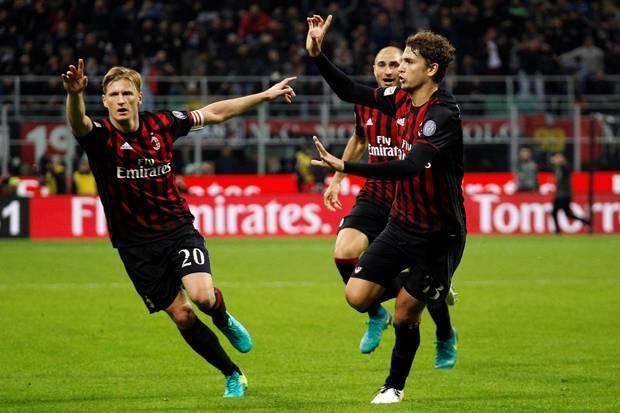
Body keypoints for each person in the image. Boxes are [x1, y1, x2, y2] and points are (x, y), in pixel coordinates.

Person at [62, 58, 295, 398]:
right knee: (183, 315)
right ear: (105, 101)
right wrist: (74, 95)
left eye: (127, 93)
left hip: (177, 229)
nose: (121, 100)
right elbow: (78, 123)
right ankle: (233, 374)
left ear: (139, 97)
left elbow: (214, 113)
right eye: (114, 94)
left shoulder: (163, 124)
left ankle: (223, 318)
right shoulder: (100, 137)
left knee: (201, 297)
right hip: (135, 245)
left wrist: (264, 95)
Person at [307, 15, 466, 404]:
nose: (399, 69)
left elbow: (410, 166)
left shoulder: (442, 115)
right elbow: (350, 90)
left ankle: (393, 386)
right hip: (400, 223)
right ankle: (432, 287)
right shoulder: (399, 99)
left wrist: (347, 167)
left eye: (408, 62)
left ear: (431, 70)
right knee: (357, 296)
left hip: (438, 234)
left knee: (405, 313)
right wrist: (317, 55)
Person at [323, 45, 458, 362]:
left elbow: (418, 161)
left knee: (421, 282)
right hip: (375, 194)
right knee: (343, 252)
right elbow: (360, 138)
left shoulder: (415, 105)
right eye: (381, 64)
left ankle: (444, 334)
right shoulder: (366, 104)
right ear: (373, 69)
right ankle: (375, 313)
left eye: (394, 64)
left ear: (405, 68)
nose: (387, 70)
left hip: (410, 199)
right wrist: (338, 178)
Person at [550, 152, 590, 234]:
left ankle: (557, 231)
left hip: (564, 195)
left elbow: (565, 169)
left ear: (563, 159)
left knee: (555, 212)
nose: (556, 159)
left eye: (558, 157)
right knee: (567, 214)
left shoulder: (565, 167)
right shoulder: (558, 168)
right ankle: (586, 221)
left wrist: (560, 163)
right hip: (560, 194)